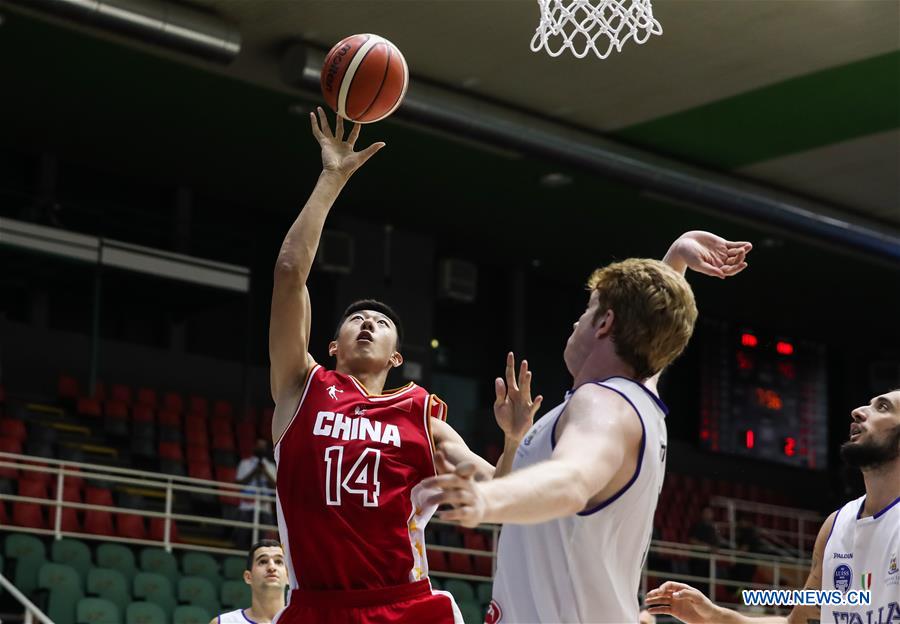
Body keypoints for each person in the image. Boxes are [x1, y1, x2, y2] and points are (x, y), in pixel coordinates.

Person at [424, 231, 752, 623]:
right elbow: (649, 329)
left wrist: (487, 500)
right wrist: (676, 259)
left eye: (588, 310)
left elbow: (572, 480)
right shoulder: (639, 398)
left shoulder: (602, 405)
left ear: (604, 323)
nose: (578, 320)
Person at [267, 108, 492, 623]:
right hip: (317, 609)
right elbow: (288, 273)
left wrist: (519, 436)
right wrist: (331, 178)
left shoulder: (422, 416)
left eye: (380, 322)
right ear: (330, 345)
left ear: (397, 357)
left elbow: (501, 488)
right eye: (355, 319)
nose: (366, 323)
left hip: (405, 609)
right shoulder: (301, 386)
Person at [645, 389, 900, 624]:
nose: (858, 411)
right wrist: (712, 615)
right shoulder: (835, 526)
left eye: (883, 407)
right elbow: (794, 623)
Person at [211, 539, 288, 624]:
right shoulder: (223, 622)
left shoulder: (303, 620)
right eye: (263, 561)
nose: (271, 567)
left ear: (288, 576)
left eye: (278, 561)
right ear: (248, 577)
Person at [233, 438, 277, 549]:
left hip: (264, 507)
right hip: (246, 506)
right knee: (241, 537)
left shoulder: (271, 466)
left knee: (266, 541)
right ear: (254, 447)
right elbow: (239, 483)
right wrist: (254, 472)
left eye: (263, 447)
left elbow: (276, 486)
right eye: (259, 446)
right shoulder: (245, 463)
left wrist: (265, 472)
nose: (261, 449)